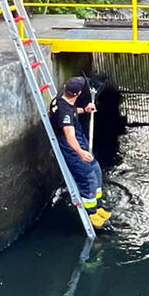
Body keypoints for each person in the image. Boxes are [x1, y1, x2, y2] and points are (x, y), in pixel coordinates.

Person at [49, 77, 111, 230]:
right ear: (78, 94)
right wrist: (81, 152)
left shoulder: (61, 100)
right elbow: (69, 135)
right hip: (72, 147)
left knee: (96, 171)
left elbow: (70, 111)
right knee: (88, 178)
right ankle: (91, 214)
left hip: (79, 140)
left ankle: (98, 206)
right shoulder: (65, 113)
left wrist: (84, 110)